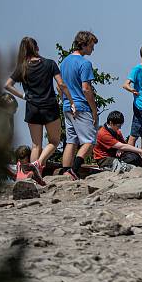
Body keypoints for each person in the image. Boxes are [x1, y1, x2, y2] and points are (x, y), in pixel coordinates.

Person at [4, 37, 74, 179]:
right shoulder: (49, 64)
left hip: (32, 108)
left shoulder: (22, 67)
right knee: (54, 141)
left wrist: (23, 96)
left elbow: (7, 85)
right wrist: (71, 100)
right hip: (49, 106)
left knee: (36, 144)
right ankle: (38, 164)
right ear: (37, 48)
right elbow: (61, 84)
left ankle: (31, 177)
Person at [59, 31, 99, 180]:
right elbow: (86, 88)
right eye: (91, 45)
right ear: (84, 44)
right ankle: (74, 170)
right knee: (89, 142)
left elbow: (60, 85)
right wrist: (94, 110)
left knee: (71, 140)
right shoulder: (85, 63)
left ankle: (65, 171)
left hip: (67, 106)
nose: (92, 49)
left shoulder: (64, 62)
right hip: (81, 106)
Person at [122, 44, 142, 153]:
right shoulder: (137, 69)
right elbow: (125, 84)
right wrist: (132, 90)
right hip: (140, 105)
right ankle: (129, 156)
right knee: (134, 133)